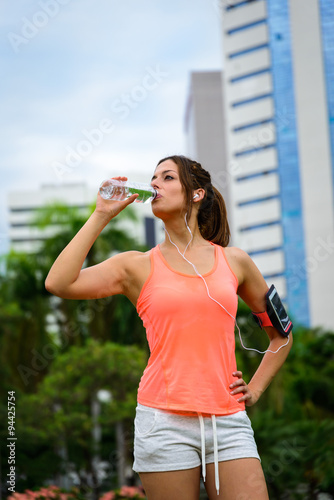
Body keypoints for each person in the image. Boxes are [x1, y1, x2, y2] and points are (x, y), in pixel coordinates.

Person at [45, 155, 293, 500]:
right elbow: (59, 282)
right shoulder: (136, 266)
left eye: (167, 177)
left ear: (196, 194)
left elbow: (281, 335)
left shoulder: (234, 262)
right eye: (153, 178)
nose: (155, 184)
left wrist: (256, 389)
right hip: (163, 423)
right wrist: (101, 213)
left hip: (229, 422)